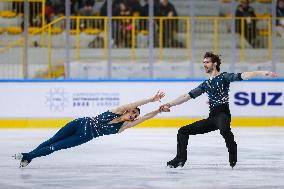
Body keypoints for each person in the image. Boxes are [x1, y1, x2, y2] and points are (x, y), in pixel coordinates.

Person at [160, 52, 277, 169]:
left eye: (207, 62)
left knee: (224, 130)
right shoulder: (206, 84)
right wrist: (169, 104)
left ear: (214, 64)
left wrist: (261, 72)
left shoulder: (223, 77)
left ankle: (232, 151)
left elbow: (242, 75)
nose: (204, 65)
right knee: (183, 131)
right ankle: (180, 159)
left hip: (223, 114)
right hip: (212, 117)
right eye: (203, 62)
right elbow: (187, 96)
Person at [14, 91, 168, 167]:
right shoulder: (117, 110)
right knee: (51, 140)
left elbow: (146, 117)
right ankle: (29, 156)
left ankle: (27, 155)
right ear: (128, 110)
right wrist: (151, 99)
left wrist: (158, 111)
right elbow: (134, 102)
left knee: (55, 147)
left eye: (135, 115)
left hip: (84, 136)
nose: (134, 114)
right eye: (133, 111)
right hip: (79, 123)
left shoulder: (123, 127)